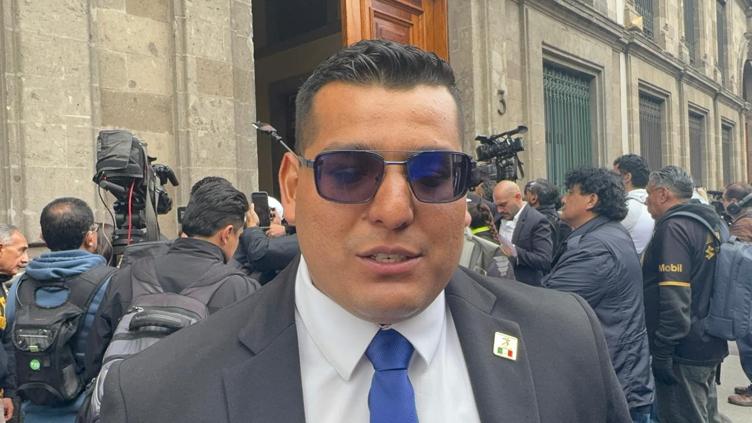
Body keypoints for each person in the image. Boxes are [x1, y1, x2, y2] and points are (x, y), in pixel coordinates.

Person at [101, 39, 630, 423]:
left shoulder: (565, 342)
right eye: (348, 173)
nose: (394, 211)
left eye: (433, 175)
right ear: (292, 187)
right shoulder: (157, 395)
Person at [86, 180, 260, 379]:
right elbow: (251, 369)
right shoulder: (241, 289)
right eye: (239, 235)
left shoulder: (127, 276)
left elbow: (94, 357)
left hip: (127, 395)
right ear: (227, 234)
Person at [540, 168, 653, 422]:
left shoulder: (595, 249)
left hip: (614, 384)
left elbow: (550, 305)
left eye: (571, 192)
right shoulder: (606, 233)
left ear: (591, 200)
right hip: (620, 374)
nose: (563, 199)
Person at [6, 198, 114, 423]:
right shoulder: (112, 283)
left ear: (43, 238)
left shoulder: (19, 286)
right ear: (90, 237)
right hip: (91, 413)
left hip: (32, 413)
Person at [642, 166, 728, 422]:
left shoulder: (674, 228)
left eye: (648, 193)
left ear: (662, 194)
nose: (645, 201)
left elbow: (675, 295)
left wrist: (663, 350)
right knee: (706, 414)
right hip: (708, 338)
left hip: (684, 347)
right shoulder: (709, 220)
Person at [721, 182, 752, 407]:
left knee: (748, 340)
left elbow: (737, 260)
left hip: (747, 294)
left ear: (733, 202)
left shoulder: (743, 223)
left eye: (724, 200)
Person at [492, 180, 553, 285]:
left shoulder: (537, 220)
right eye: (496, 205)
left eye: (503, 205)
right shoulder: (495, 217)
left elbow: (544, 260)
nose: (499, 210)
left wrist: (515, 252)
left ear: (518, 197)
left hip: (523, 286)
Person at [0, 225, 27, 422]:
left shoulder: (3, 287)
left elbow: (6, 340)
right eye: (21, 251)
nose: (25, 259)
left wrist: (8, 391)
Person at [613, 154, 654, 255]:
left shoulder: (627, 208)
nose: (610, 180)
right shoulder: (649, 204)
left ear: (627, 177)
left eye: (614, 176)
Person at [523, 178, 569, 254]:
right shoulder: (563, 221)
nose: (523, 199)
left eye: (525, 195)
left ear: (533, 198)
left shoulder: (536, 223)